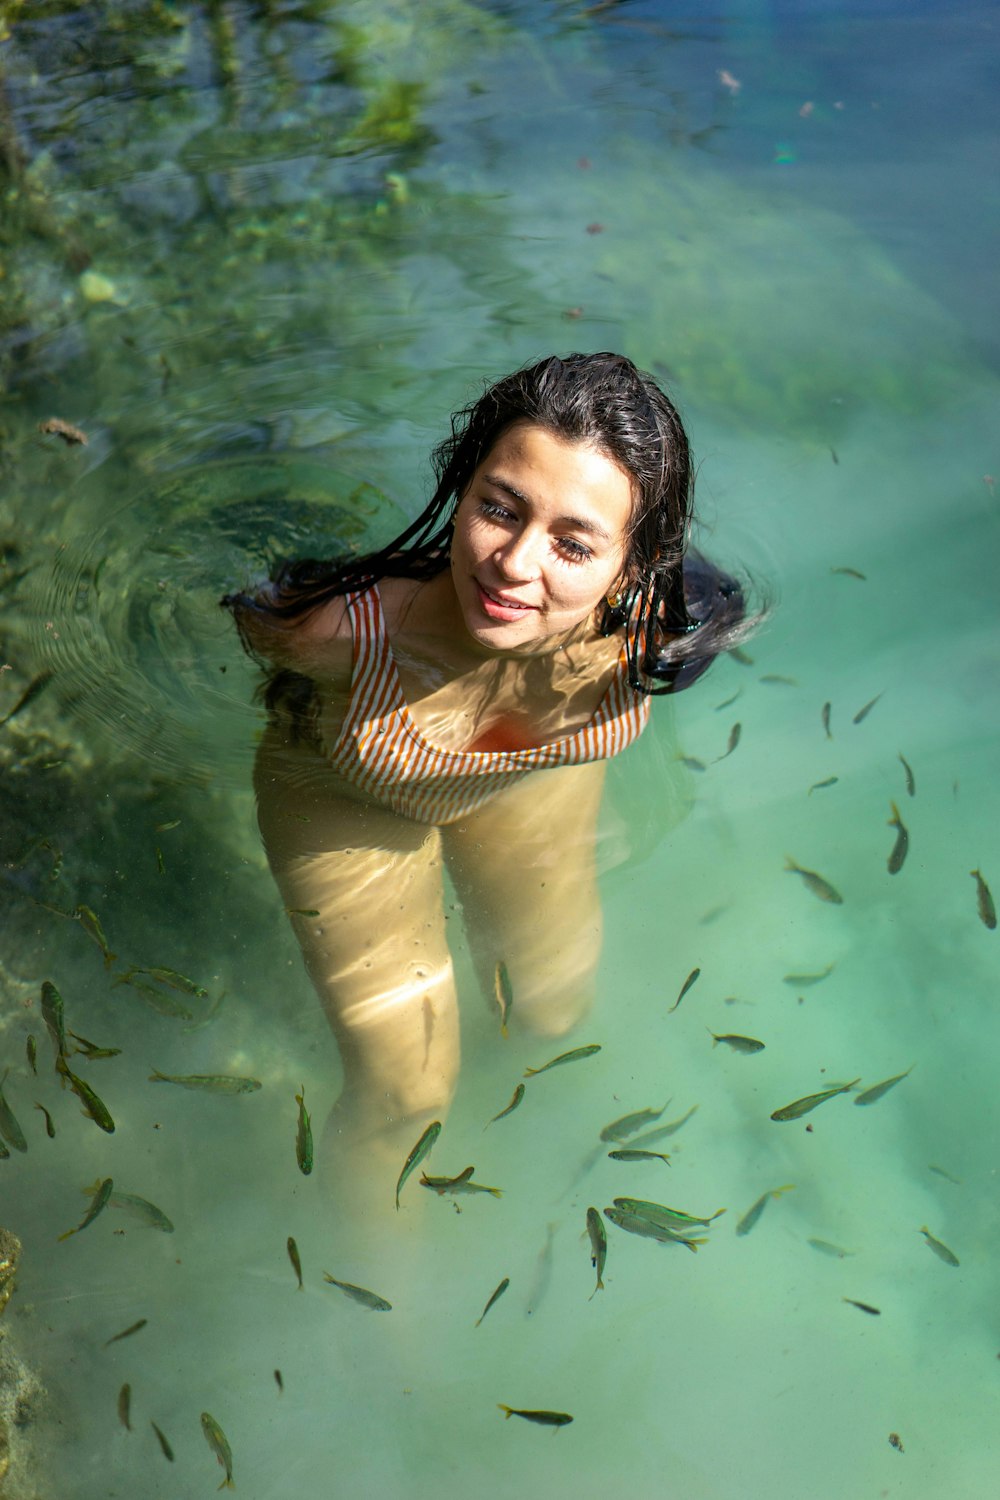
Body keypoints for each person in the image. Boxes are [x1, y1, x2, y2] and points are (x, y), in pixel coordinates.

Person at [223, 352, 749, 1175]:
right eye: (499, 509)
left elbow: (722, 603)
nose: (514, 564)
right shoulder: (339, 631)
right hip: (353, 796)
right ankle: (394, 1298)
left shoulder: (649, 634)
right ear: (462, 486)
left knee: (550, 1012)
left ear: (637, 566)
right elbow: (241, 620)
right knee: (409, 1098)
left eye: (574, 546)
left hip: (522, 784)